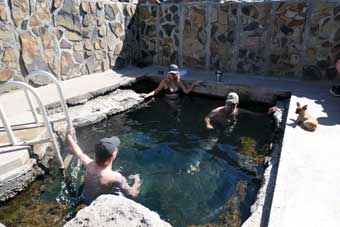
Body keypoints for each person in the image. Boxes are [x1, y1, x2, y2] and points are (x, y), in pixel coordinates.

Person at [66, 128, 142, 205]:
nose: (117, 149)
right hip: (97, 205)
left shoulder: (89, 164)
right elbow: (133, 194)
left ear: (95, 154)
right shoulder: (117, 177)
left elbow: (79, 153)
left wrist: (69, 137)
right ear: (113, 156)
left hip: (82, 200)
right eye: (116, 149)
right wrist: (137, 181)